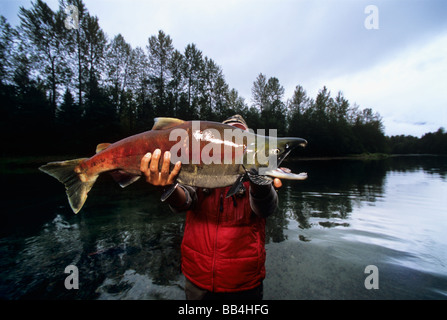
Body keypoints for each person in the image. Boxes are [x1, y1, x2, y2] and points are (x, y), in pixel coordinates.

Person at [139, 115, 281, 300]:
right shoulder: (195, 165)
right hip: (197, 279)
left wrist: (259, 181)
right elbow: (184, 202)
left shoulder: (257, 175)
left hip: (244, 282)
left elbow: (265, 208)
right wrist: (168, 186)